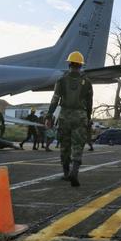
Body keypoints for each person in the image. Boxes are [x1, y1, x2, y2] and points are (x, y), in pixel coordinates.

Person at [46, 51, 93, 187]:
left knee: (65, 145)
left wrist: (49, 115)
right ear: (80, 65)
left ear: (69, 64)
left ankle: (66, 173)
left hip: (65, 116)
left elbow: (55, 99)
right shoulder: (87, 82)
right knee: (78, 145)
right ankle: (75, 172)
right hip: (80, 116)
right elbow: (89, 103)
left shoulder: (61, 80)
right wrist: (88, 117)